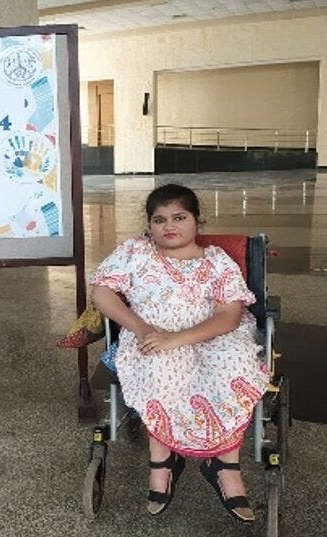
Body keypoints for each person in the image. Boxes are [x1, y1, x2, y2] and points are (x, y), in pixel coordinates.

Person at [89, 183, 269, 524]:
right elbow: (102, 294)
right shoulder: (136, 253)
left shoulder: (217, 261)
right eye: (159, 220)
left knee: (234, 370)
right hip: (151, 331)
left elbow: (229, 315)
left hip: (213, 333)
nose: (169, 226)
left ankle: (224, 466)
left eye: (179, 217)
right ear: (149, 225)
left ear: (197, 221)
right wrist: (144, 330)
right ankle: (162, 461)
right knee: (157, 368)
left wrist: (179, 338)